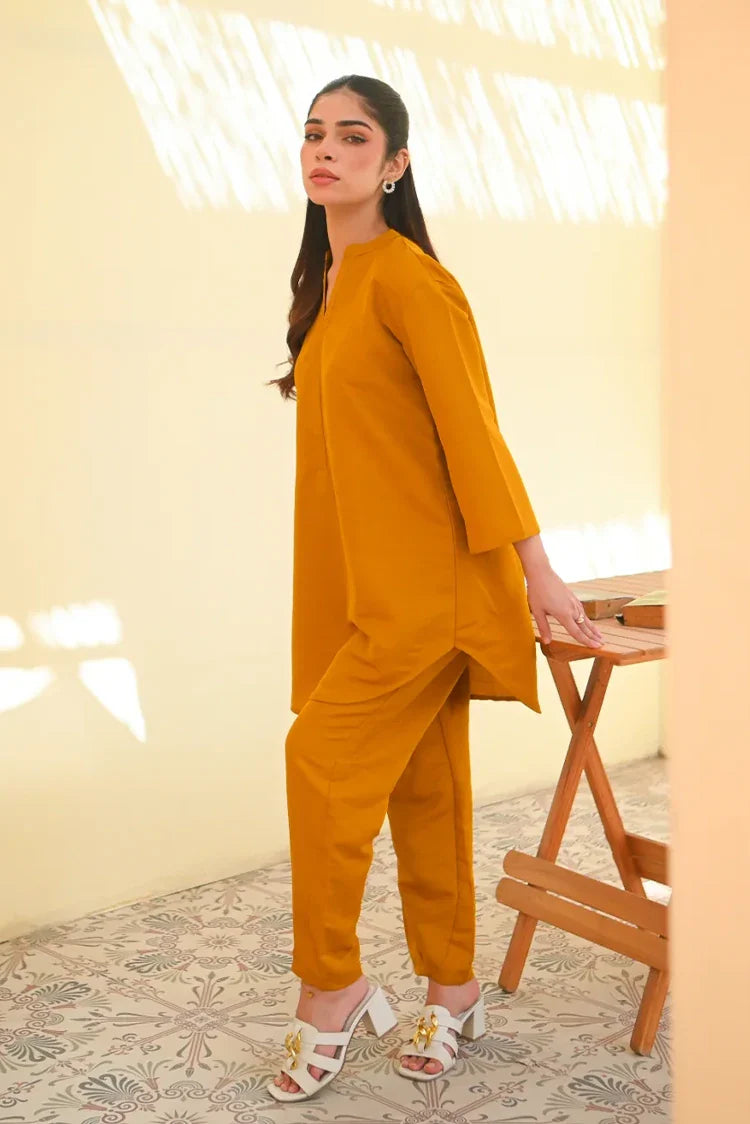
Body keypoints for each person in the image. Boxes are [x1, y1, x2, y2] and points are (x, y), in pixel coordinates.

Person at [265, 74, 604, 1102]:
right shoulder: (329, 284)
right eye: (315, 134)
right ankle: (453, 987)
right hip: (366, 588)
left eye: (352, 136)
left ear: (395, 164)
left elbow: (474, 433)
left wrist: (535, 568)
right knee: (425, 785)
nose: (327, 150)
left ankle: (331, 985)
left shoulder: (414, 281)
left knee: (319, 759)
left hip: (430, 590)